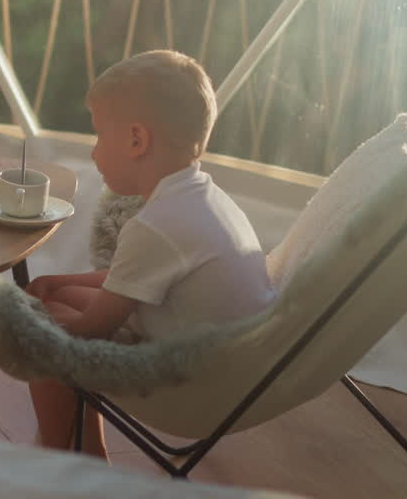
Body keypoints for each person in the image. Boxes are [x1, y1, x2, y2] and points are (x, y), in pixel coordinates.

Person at [24, 50, 275, 458]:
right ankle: (85, 451)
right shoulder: (201, 200)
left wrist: (44, 318)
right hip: (231, 363)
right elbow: (129, 280)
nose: (93, 151)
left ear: (137, 140)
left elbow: (93, 328)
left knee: (43, 333)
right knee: (60, 298)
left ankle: (57, 462)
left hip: (191, 382)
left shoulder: (156, 227)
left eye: (100, 135)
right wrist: (61, 283)